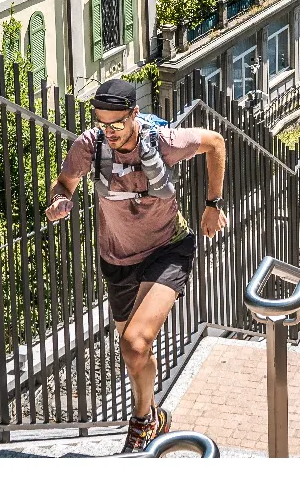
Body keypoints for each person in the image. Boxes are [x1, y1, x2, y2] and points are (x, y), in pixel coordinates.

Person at [48, 77, 227, 452]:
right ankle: (154, 417)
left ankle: (141, 423)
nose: (109, 131)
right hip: (117, 258)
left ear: (135, 115)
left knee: (133, 342)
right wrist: (60, 200)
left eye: (116, 123)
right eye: (101, 122)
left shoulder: (162, 142)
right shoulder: (90, 146)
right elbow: (64, 182)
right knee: (136, 352)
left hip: (168, 249)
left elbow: (215, 142)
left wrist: (212, 204)